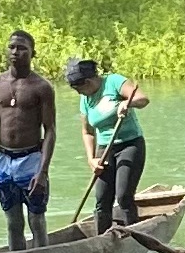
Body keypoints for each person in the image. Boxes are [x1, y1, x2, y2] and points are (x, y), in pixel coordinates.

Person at [0, 35, 57, 250]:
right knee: (13, 223)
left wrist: (42, 171)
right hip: (4, 160)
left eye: (21, 48)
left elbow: (50, 130)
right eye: (11, 47)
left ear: (33, 53)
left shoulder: (42, 87)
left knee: (37, 221)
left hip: (31, 160)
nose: (15, 52)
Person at [60, 58, 147, 231]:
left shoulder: (113, 82)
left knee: (123, 197)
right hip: (105, 149)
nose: (79, 93)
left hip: (130, 144)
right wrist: (91, 159)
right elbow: (87, 132)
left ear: (89, 81)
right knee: (101, 200)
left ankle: (135, 236)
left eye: (79, 88)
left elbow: (143, 99)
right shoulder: (86, 99)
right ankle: (102, 239)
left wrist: (127, 103)